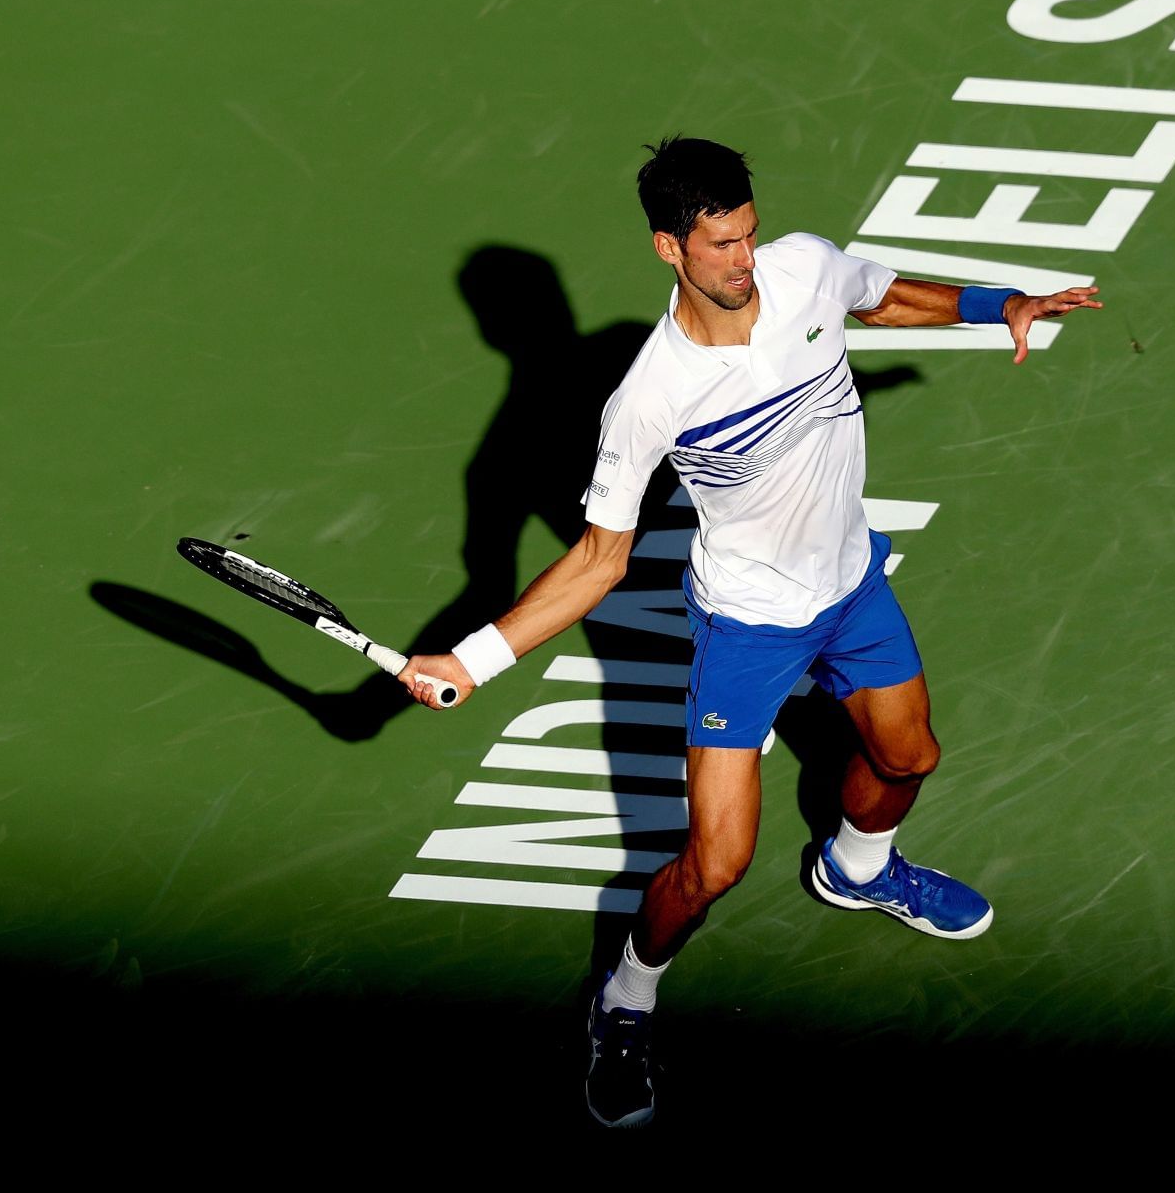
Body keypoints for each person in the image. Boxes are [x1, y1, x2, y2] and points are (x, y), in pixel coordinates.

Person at [398, 137, 1101, 1128]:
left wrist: (1000, 306)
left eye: (749, 234)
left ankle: (858, 868)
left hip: (853, 583)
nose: (745, 259)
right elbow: (600, 559)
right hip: (750, 623)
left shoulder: (803, 268)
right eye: (721, 244)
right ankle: (626, 999)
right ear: (667, 249)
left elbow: (884, 294)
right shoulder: (648, 399)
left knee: (909, 758)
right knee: (714, 863)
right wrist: (473, 658)